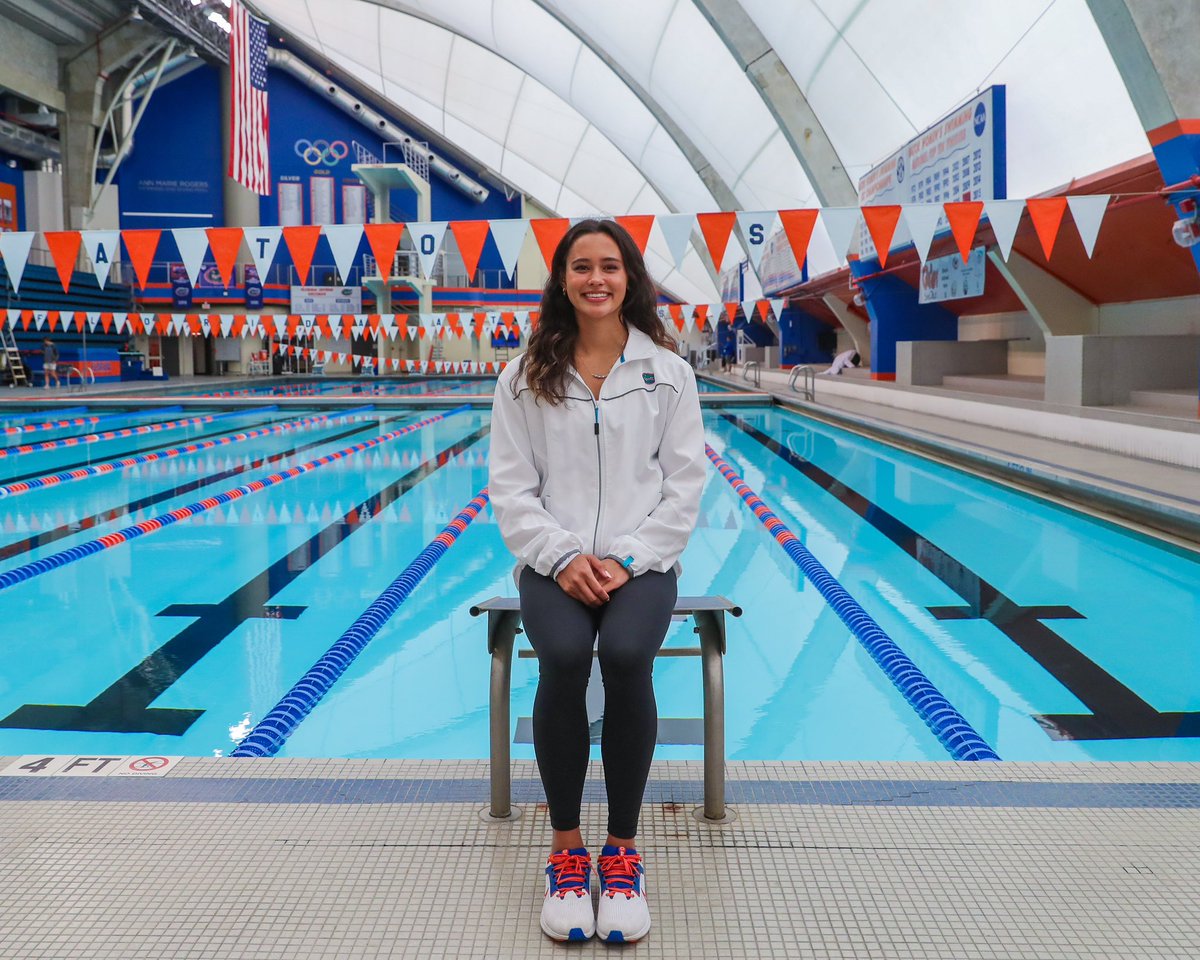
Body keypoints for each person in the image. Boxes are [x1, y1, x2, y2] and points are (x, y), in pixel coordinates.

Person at [489, 219, 706, 944]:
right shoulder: (523, 376)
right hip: (554, 563)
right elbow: (511, 491)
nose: (595, 279)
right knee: (562, 657)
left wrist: (630, 556)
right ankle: (565, 851)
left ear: (630, 278)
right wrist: (560, 555)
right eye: (580, 266)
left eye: (609, 266)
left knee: (622, 656)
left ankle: (622, 853)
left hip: (641, 561)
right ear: (561, 280)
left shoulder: (668, 373)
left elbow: (685, 487)